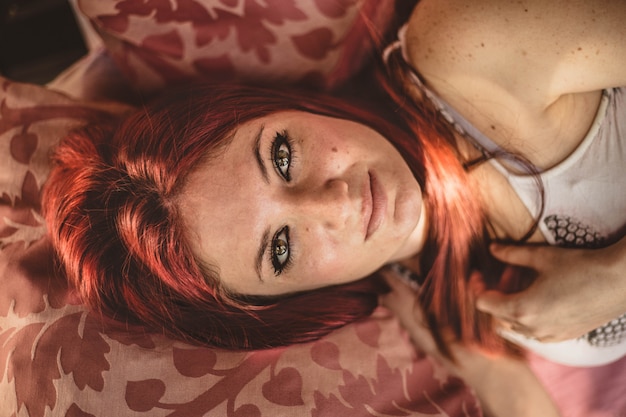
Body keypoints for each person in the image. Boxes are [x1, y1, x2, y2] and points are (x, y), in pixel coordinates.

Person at [42, 0, 624, 379]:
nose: (337, 204)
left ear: (275, 106)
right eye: (281, 249)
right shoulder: (419, 297)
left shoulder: (469, 49)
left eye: (283, 156)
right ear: (287, 303)